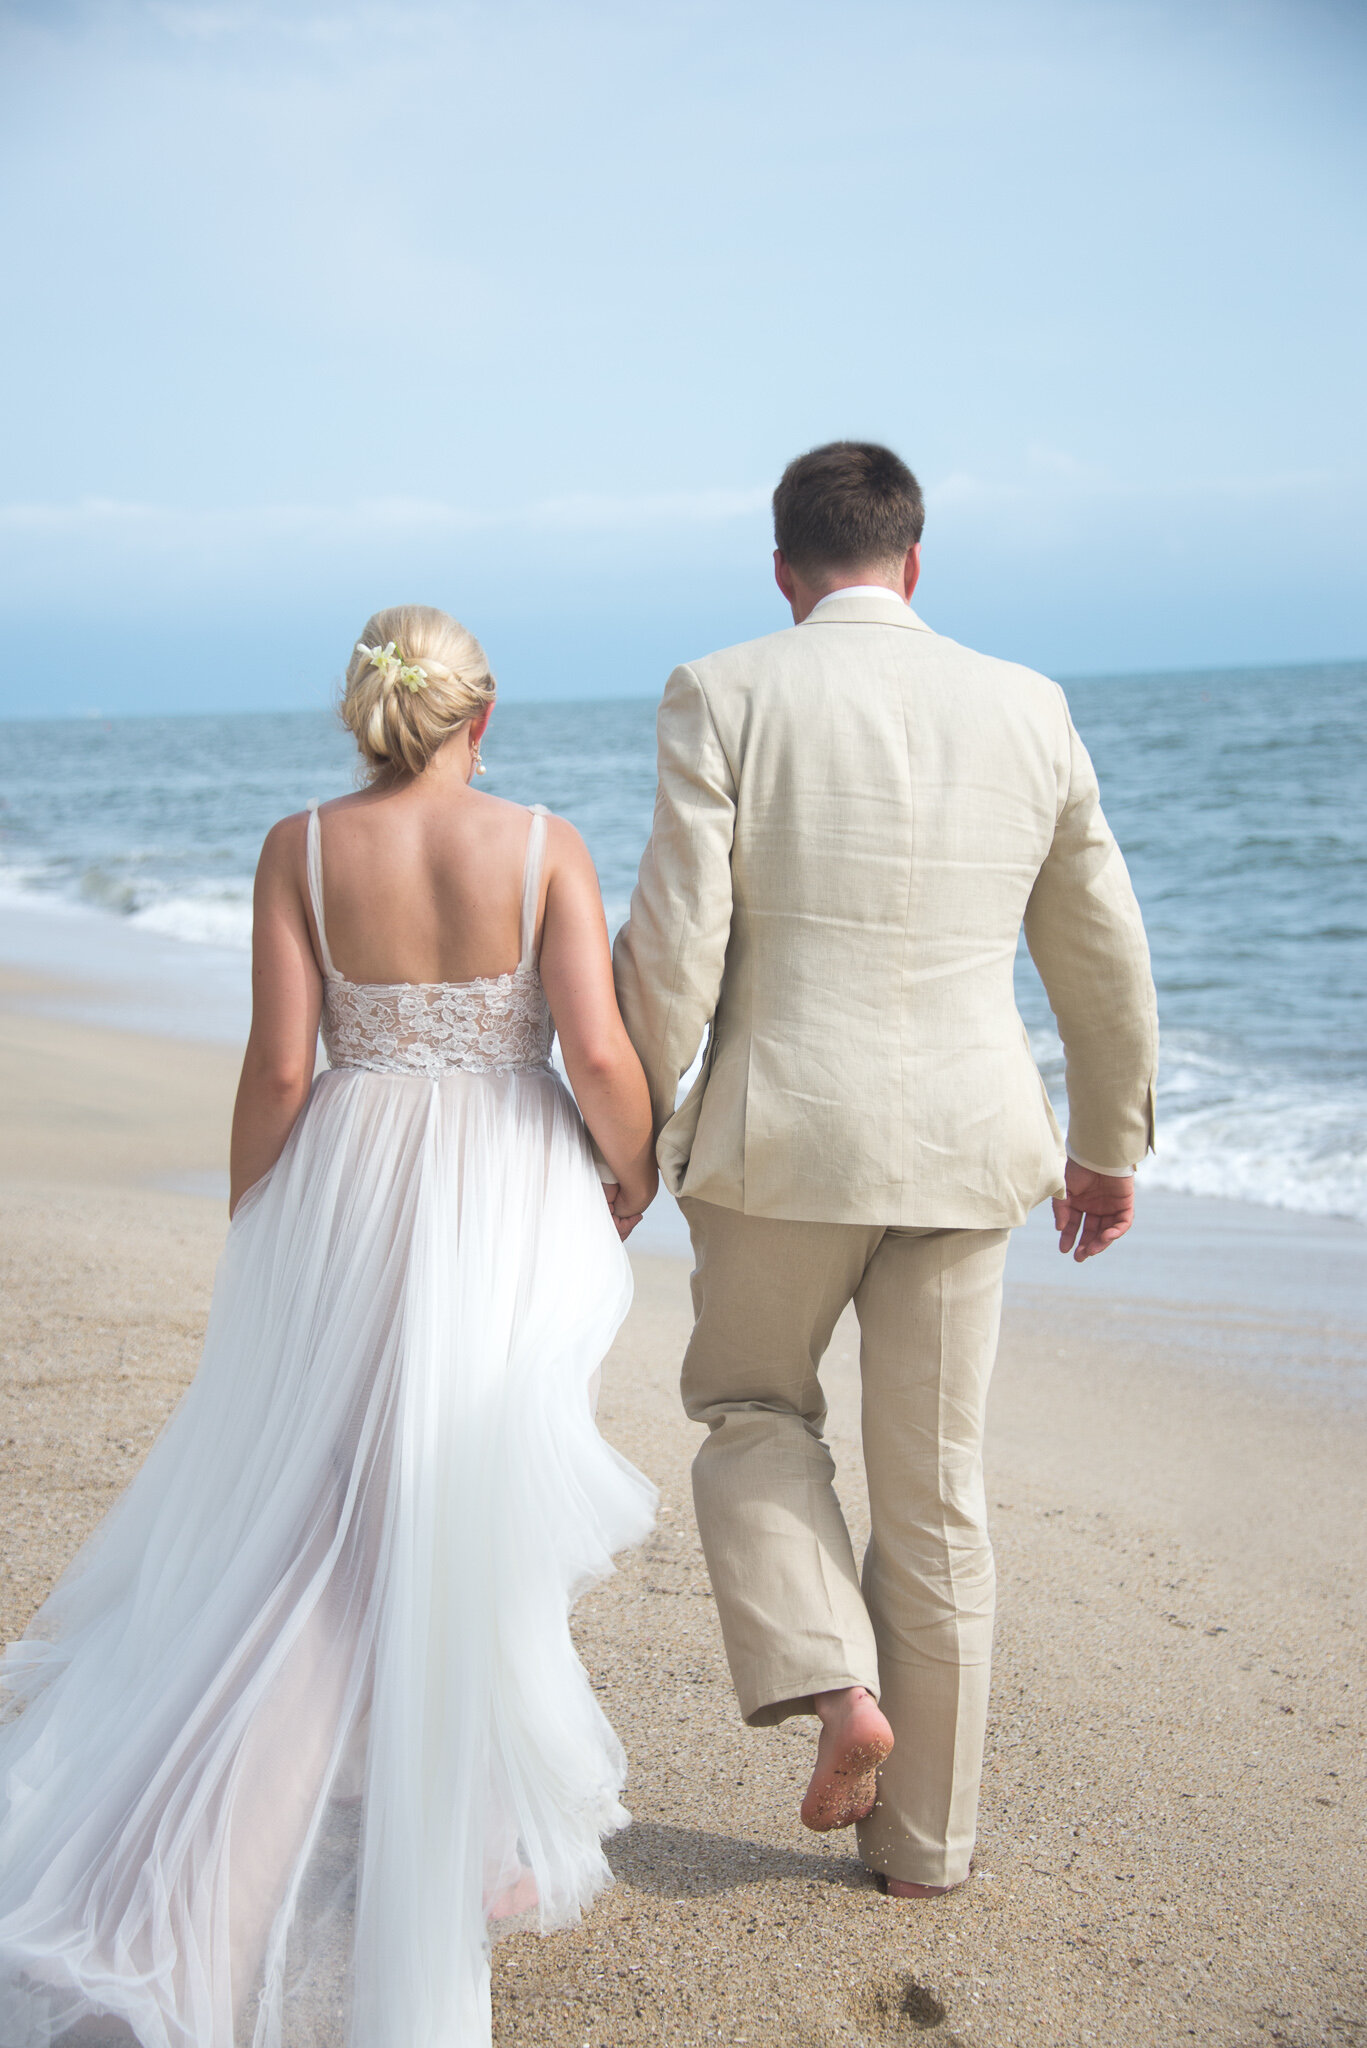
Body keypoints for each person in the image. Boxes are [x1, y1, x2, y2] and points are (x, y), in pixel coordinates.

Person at [0, 605, 658, 2047]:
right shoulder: (543, 842)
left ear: (367, 718)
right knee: (453, 1501)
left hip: (349, 1190)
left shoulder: (296, 848)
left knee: (329, 1521)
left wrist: (257, 1215)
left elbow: (282, 1069)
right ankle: (356, 1861)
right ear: (482, 721)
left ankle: (420, 1834)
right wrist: (636, 1164)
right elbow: (596, 1048)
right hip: (501, 1193)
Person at [613, 441, 1158, 1899]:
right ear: (915, 563)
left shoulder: (723, 690)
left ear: (783, 570)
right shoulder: (1029, 705)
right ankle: (926, 1849)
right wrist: (1107, 1141)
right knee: (938, 1496)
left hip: (781, 1144)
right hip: (973, 1156)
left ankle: (833, 1684)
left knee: (749, 1409)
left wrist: (634, 1118)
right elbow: (1101, 945)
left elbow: (680, 938)